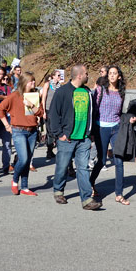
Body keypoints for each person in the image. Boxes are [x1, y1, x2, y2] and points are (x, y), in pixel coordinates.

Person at [47, 64, 102, 210]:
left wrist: (91, 134)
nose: (88, 76)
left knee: (83, 168)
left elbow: (92, 113)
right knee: (63, 166)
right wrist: (59, 134)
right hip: (67, 138)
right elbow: (53, 114)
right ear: (79, 75)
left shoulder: (87, 91)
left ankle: (86, 200)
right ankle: (58, 191)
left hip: (84, 138)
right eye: (86, 73)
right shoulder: (63, 92)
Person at [90, 65, 131, 204]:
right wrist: (92, 131)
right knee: (101, 161)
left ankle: (119, 194)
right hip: (102, 128)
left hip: (116, 127)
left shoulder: (121, 92)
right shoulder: (100, 90)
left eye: (115, 73)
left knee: (119, 161)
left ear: (119, 76)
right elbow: (93, 109)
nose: (112, 75)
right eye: (110, 73)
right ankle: (90, 184)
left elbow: (120, 112)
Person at [0, 72, 43, 196]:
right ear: (24, 83)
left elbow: (41, 113)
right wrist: (7, 125)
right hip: (18, 130)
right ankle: (14, 180)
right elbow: (0, 109)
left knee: (27, 160)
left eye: (34, 81)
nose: (34, 83)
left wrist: (31, 105)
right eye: (31, 81)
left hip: (32, 131)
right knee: (23, 159)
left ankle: (24, 187)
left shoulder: (35, 95)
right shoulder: (14, 96)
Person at [41, 68, 64, 159]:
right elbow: (44, 97)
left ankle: (58, 150)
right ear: (53, 76)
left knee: (57, 130)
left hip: (58, 111)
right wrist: (43, 111)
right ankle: (49, 150)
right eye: (58, 75)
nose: (59, 77)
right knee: (50, 130)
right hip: (48, 109)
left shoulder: (60, 86)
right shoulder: (48, 84)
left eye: (60, 75)